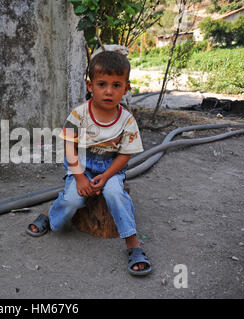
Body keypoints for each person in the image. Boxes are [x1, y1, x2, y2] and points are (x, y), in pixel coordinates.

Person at [25, 51, 152, 276]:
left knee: (115, 194)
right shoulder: (79, 114)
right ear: (90, 85)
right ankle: (49, 214)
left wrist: (106, 176)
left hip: (111, 170)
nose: (109, 91)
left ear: (126, 88)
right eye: (102, 84)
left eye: (116, 85)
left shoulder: (127, 120)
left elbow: (125, 154)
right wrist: (80, 177)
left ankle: (133, 243)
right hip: (80, 167)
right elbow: (69, 147)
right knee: (73, 199)